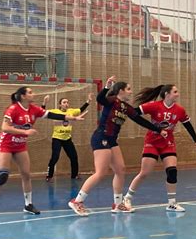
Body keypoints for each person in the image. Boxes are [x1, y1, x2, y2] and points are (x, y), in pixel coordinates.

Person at [68, 77, 167, 216]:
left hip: (112, 140)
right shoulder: (112, 100)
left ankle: (118, 204)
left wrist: (158, 129)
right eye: (129, 89)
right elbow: (100, 99)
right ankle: (77, 201)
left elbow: (139, 120)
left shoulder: (126, 108)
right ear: (121, 91)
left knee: (120, 170)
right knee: (101, 172)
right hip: (101, 137)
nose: (131, 92)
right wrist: (107, 87)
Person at [0, 86, 87, 218]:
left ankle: (28, 204)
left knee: (26, 175)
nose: (32, 94)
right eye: (30, 92)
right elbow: (4, 127)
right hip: (6, 145)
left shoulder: (34, 109)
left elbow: (52, 115)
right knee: (3, 175)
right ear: (23, 96)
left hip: (20, 145)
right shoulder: (13, 109)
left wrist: (73, 118)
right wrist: (25, 132)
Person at [123, 84, 196, 212]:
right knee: (144, 173)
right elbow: (134, 113)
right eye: (175, 92)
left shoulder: (179, 110)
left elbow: (188, 125)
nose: (178, 94)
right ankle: (127, 199)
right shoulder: (154, 106)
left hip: (168, 143)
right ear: (167, 94)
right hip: (152, 142)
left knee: (172, 171)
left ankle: (171, 203)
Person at [42, 93, 93, 182]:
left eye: (67, 102)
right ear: (60, 104)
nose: (66, 104)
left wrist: (88, 101)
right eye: (64, 102)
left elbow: (81, 109)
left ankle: (75, 175)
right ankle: (49, 176)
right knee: (55, 157)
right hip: (57, 138)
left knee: (74, 156)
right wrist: (44, 103)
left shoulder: (71, 111)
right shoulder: (56, 112)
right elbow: (42, 112)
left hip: (67, 139)